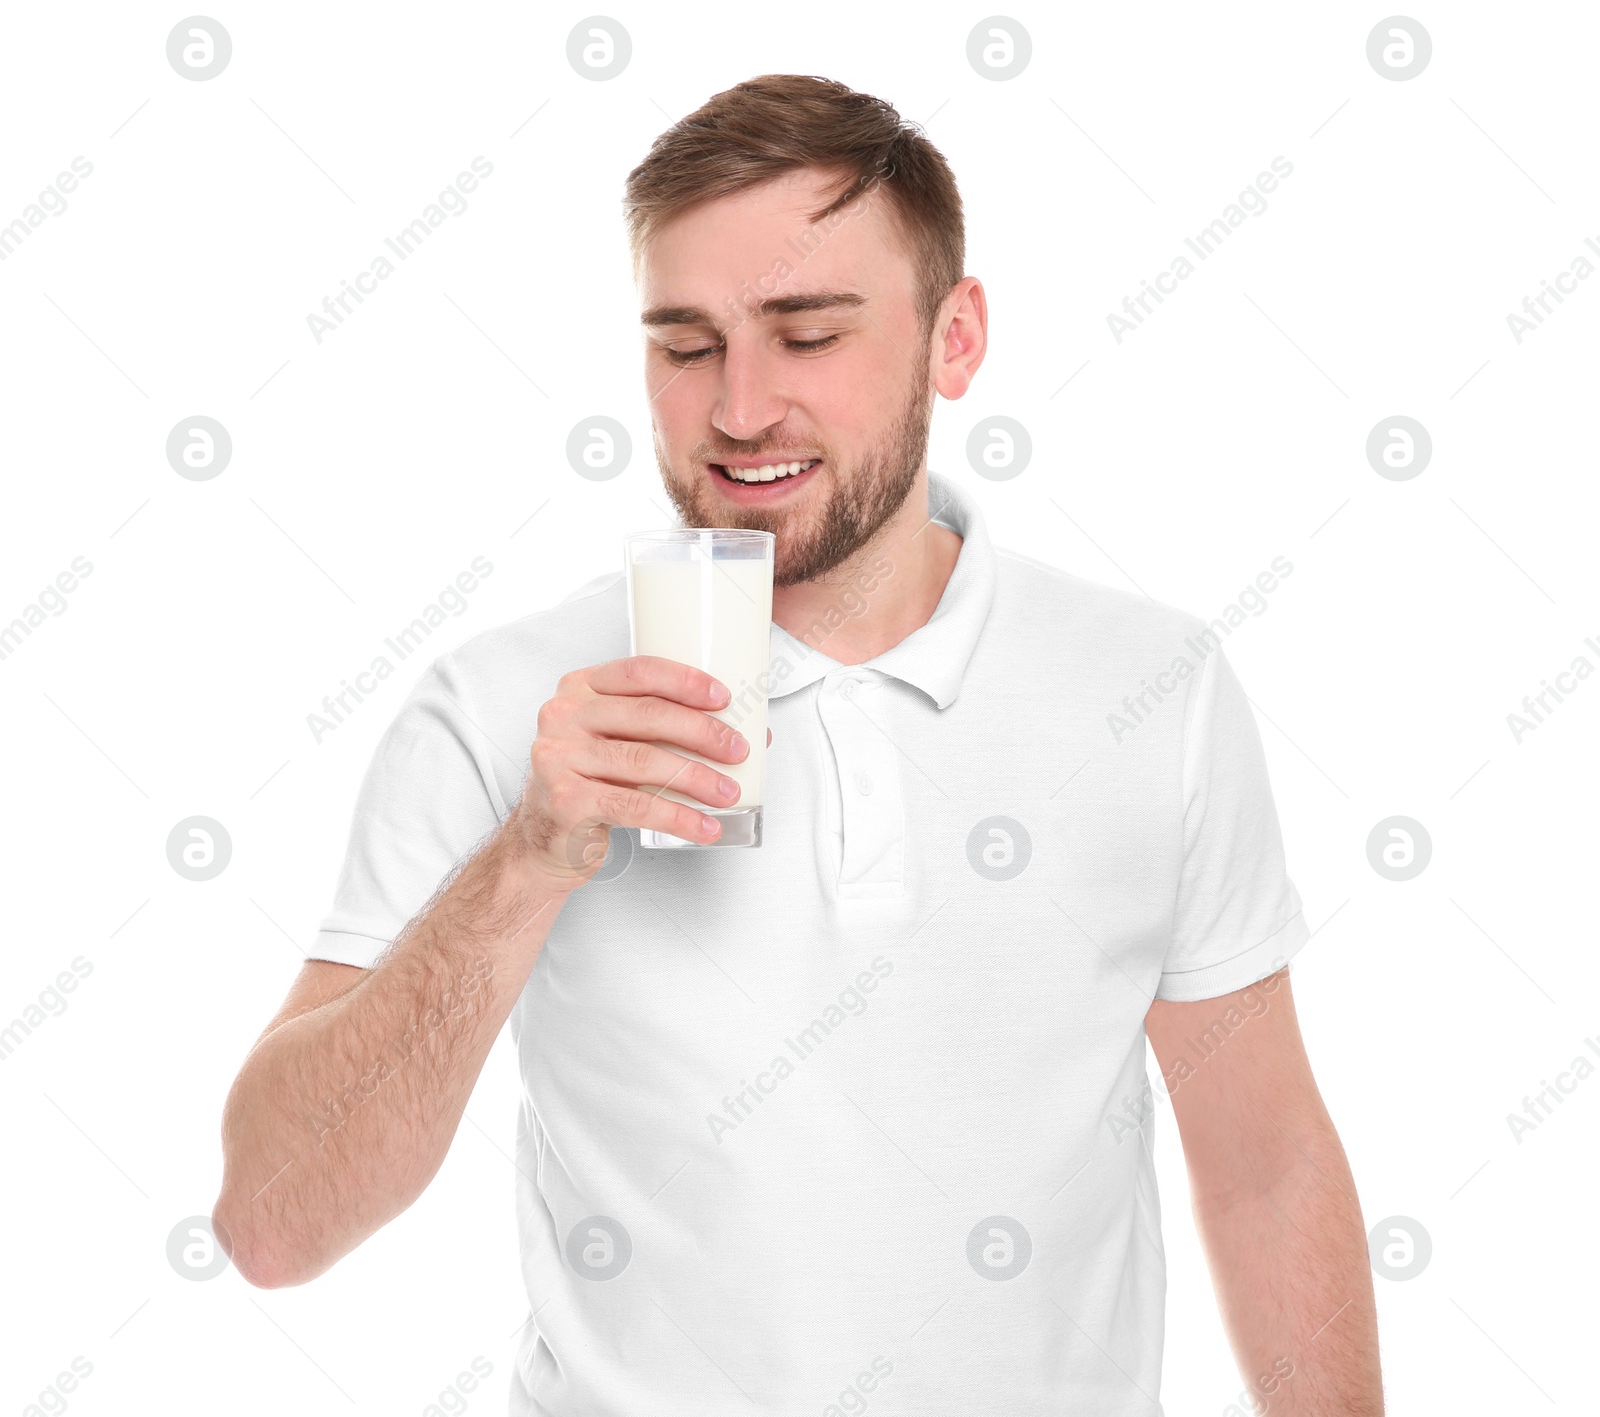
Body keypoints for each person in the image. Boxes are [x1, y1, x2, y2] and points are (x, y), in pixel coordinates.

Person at [214, 73, 1383, 1415]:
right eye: (686, 343)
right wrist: (526, 866)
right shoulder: (507, 707)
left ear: (955, 341)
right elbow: (272, 1223)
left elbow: (1265, 1164)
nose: (739, 408)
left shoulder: (1151, 690)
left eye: (808, 335)